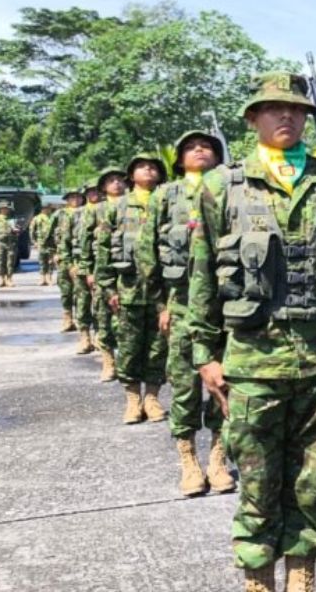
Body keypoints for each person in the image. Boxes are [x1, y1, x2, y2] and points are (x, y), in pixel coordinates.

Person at [186, 73, 316, 592]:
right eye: (274, 109)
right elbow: (203, 274)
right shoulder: (221, 186)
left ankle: (302, 575)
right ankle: (258, 578)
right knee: (256, 479)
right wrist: (205, 354)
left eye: (297, 110)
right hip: (253, 360)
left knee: (315, 480)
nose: (287, 118)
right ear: (253, 119)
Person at [137, 130, 233, 496]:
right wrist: (162, 304)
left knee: (228, 384)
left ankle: (219, 458)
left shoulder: (231, 189)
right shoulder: (166, 195)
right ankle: (189, 460)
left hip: (226, 307)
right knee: (185, 385)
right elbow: (147, 253)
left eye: (207, 146)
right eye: (191, 148)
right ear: (178, 159)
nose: (199, 151)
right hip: (181, 304)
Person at [97, 153, 169, 425]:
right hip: (128, 289)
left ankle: (152, 397)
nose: (148, 170)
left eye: (153, 167)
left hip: (163, 291)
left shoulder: (168, 202)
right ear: (132, 175)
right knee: (128, 346)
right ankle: (132, 399)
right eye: (141, 166)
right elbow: (104, 248)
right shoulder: (117, 208)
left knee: (158, 346)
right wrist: (107, 288)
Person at [83, 171, 123, 381]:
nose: (116, 184)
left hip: (129, 271)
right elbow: (86, 241)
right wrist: (88, 270)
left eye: (119, 180)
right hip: (103, 270)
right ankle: (108, 362)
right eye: (111, 181)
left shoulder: (134, 205)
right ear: (103, 187)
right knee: (103, 316)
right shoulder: (97, 210)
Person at [69, 185, 99, 355]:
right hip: (81, 262)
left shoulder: (107, 210)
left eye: (97, 191)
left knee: (101, 304)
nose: (94, 194)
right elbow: (66, 239)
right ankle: (84, 336)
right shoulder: (77, 213)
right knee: (83, 301)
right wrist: (70, 263)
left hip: (102, 264)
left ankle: (100, 336)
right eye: (91, 192)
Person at [53, 190, 83, 333]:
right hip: (63, 257)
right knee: (66, 290)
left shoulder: (86, 212)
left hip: (80, 257)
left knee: (81, 291)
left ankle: (80, 319)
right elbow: (48, 234)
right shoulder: (60, 214)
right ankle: (67, 317)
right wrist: (54, 252)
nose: (75, 200)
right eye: (72, 197)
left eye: (78, 197)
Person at [29, 201, 58, 286]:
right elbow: (32, 231)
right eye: (44, 208)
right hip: (41, 242)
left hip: (52, 243)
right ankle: (42, 278)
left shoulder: (53, 218)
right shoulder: (37, 218)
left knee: (50, 261)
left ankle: (49, 277)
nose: (46, 210)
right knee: (42, 261)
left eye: (48, 208)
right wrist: (34, 242)